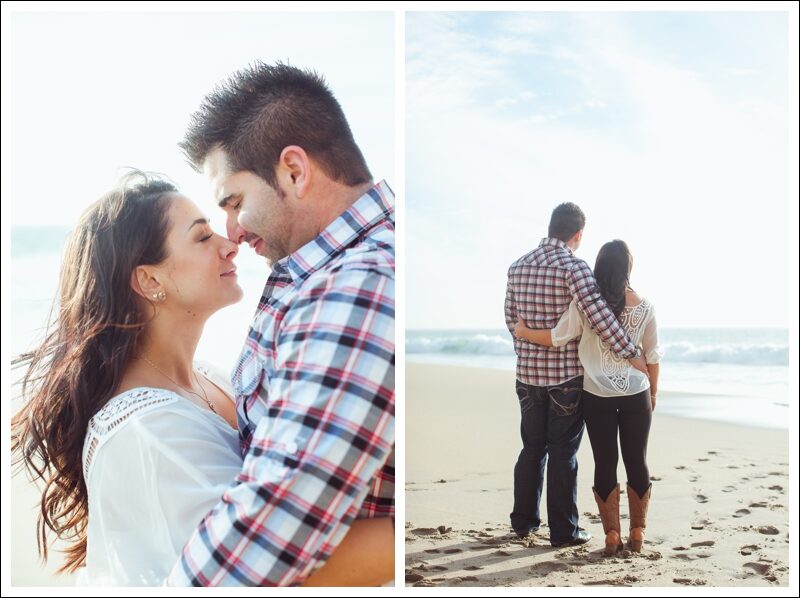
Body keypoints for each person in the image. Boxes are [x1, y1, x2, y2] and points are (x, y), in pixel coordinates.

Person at [11, 172, 393, 586]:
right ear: (149, 280)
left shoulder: (208, 379)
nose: (231, 247)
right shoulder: (149, 431)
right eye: (202, 237)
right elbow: (260, 575)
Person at [166, 61, 395, 586]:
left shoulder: (353, 283)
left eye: (234, 201)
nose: (231, 229)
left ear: (294, 170)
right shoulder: (324, 271)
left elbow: (281, 513)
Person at [504, 203, 648, 548]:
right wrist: (632, 354)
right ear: (578, 234)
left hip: (527, 377)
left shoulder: (517, 266)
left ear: (551, 226)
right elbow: (599, 317)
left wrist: (527, 349)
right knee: (563, 453)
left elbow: (512, 320)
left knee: (531, 449)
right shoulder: (574, 268)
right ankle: (564, 531)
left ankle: (523, 522)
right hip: (565, 380)